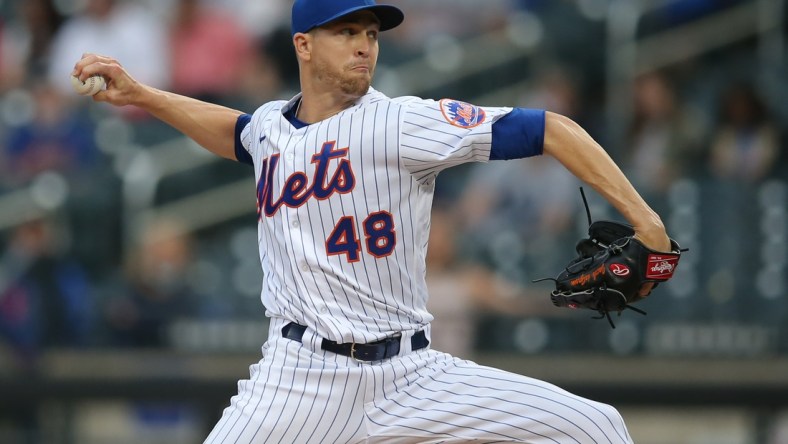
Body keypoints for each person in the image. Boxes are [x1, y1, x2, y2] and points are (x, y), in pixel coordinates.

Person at [72, 0, 672, 442]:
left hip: (411, 374)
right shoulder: (271, 129)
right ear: (304, 45)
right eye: (346, 31)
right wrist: (145, 95)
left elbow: (551, 129)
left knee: (598, 429)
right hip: (297, 379)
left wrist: (647, 223)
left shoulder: (402, 122)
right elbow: (235, 133)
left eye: (371, 33)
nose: (365, 45)